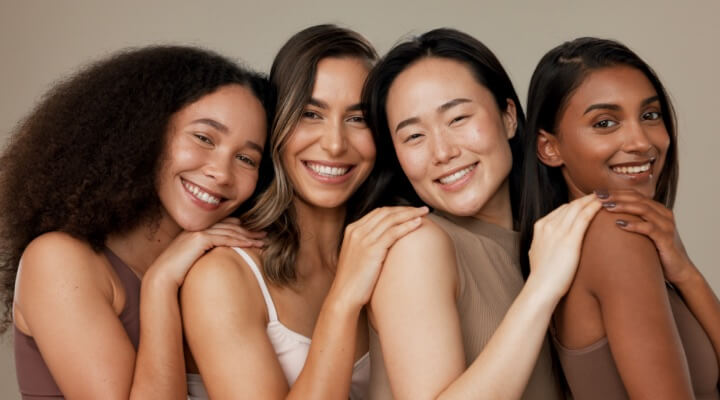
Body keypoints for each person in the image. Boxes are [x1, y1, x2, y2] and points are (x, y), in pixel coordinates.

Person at [0, 46, 273, 399]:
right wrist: (160, 283)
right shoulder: (57, 260)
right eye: (204, 138)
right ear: (146, 131)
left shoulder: (216, 266)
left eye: (246, 158)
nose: (221, 173)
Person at [180, 24, 427, 400]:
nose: (333, 144)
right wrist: (344, 299)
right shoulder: (223, 276)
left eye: (357, 118)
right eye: (311, 114)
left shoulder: (396, 252)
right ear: (276, 124)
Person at [361, 28, 603, 399]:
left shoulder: (549, 239)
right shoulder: (416, 246)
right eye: (413, 136)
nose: (442, 152)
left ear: (508, 117)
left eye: (457, 119)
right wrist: (541, 290)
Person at [520, 37, 720, 399]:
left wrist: (686, 271)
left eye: (649, 115)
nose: (641, 141)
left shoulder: (603, 235)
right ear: (549, 148)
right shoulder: (615, 234)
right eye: (605, 122)